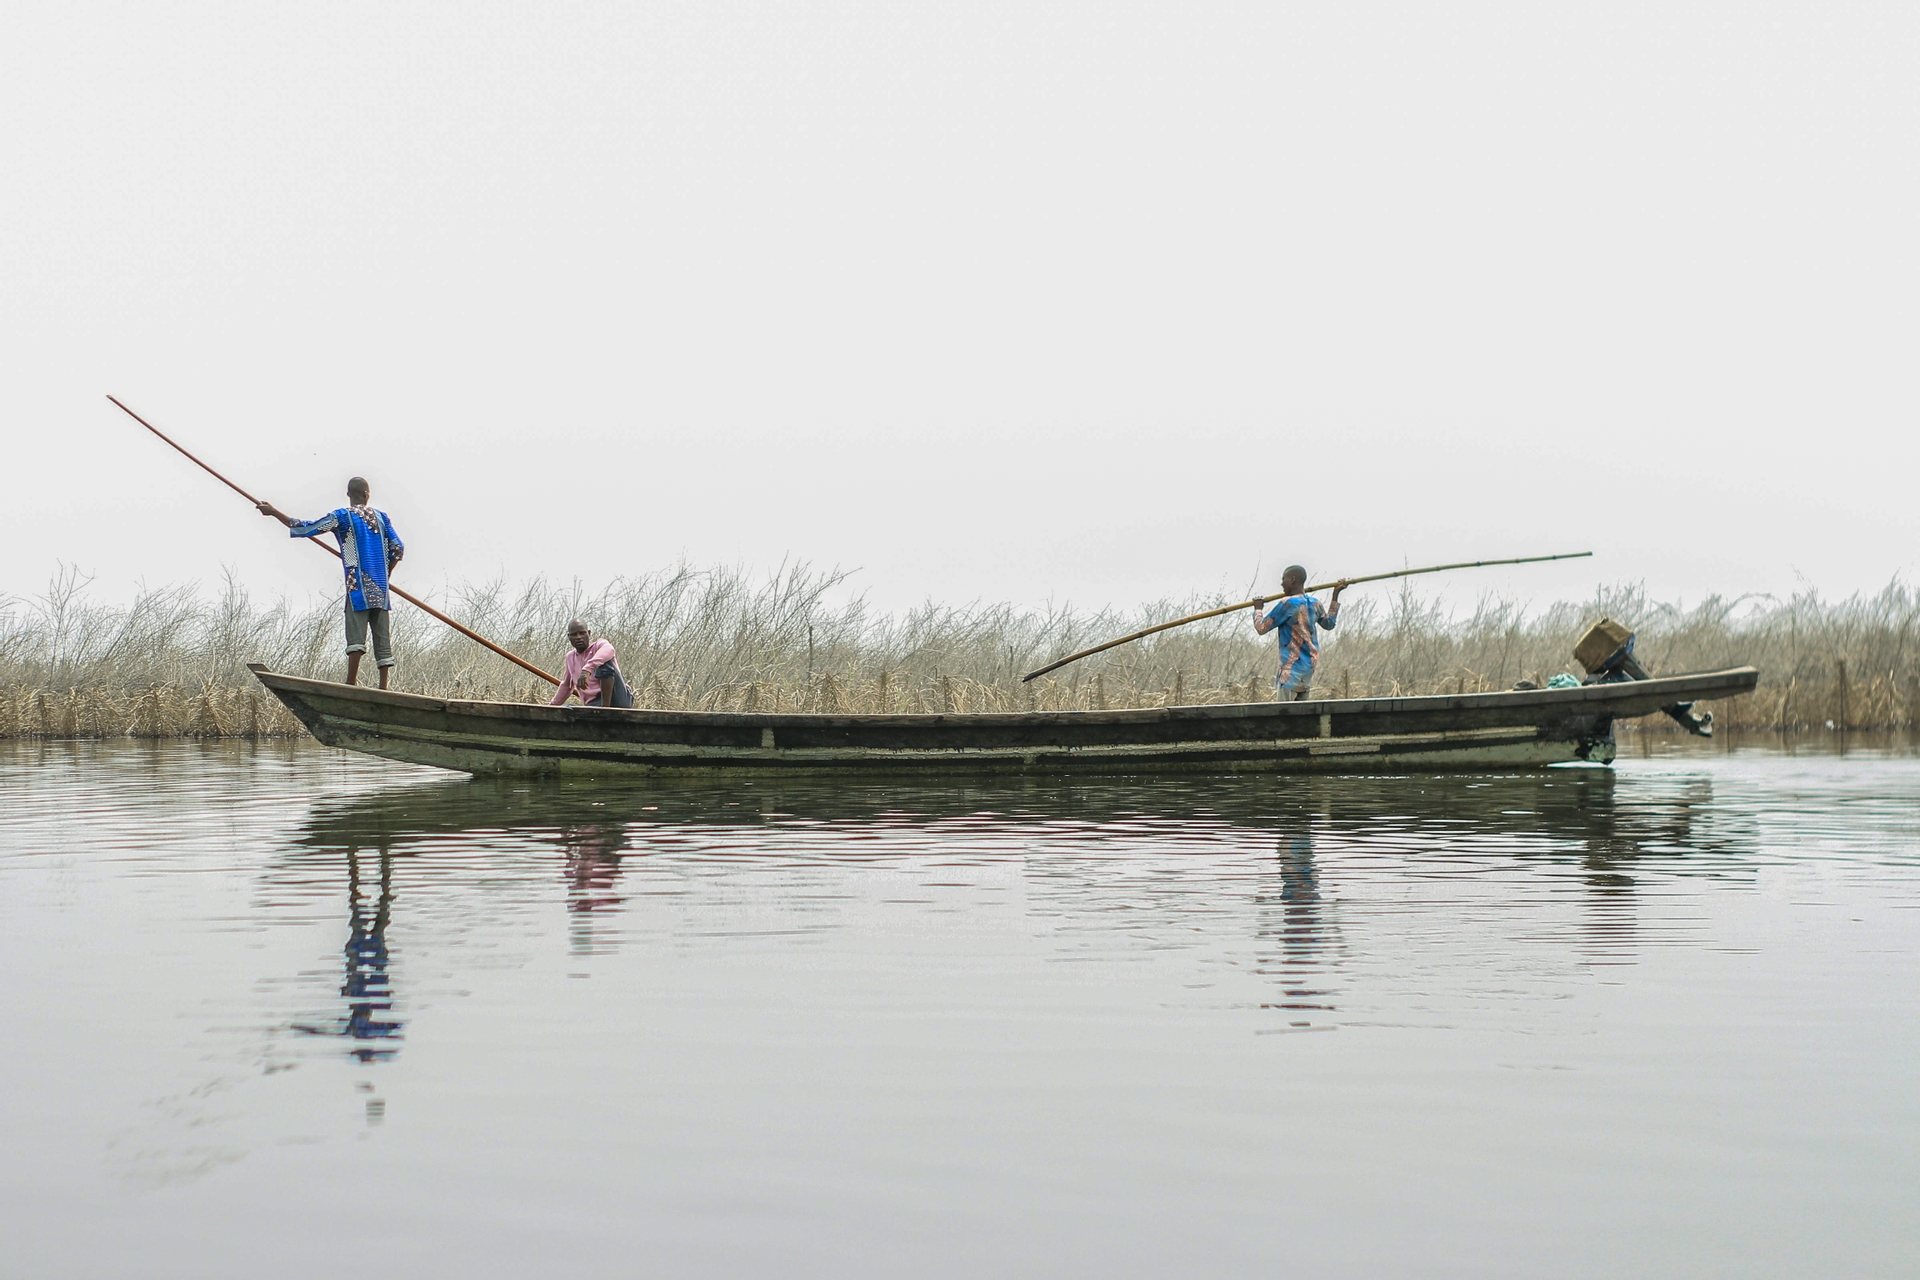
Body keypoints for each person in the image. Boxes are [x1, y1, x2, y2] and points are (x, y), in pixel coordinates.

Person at [257, 477, 404, 689]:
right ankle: (384, 687)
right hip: (381, 587)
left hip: (358, 584)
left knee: (356, 636)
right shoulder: (382, 518)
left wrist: (274, 513)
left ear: (348, 495)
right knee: (382, 635)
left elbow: (307, 528)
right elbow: (397, 549)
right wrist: (386, 573)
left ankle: (350, 683)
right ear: (367, 495)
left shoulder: (342, 517)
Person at [1253, 565, 1347, 700]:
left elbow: (1261, 628)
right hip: (1308, 668)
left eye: (1283, 579)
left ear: (1292, 580)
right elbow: (1329, 624)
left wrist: (1258, 609)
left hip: (1290, 672)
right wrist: (1335, 595)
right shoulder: (1315, 603)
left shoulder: (1287, 604)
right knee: (1302, 715)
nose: (1281, 584)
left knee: (1285, 715)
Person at [549, 619, 634, 708]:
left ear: (588, 633)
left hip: (617, 698)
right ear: (569, 637)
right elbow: (567, 686)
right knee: (567, 708)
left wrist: (587, 669)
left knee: (604, 661)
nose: (578, 637)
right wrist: (552, 705)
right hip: (594, 703)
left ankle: (605, 709)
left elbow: (610, 649)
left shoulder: (598, 646)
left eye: (582, 633)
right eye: (574, 635)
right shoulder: (570, 657)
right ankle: (599, 710)